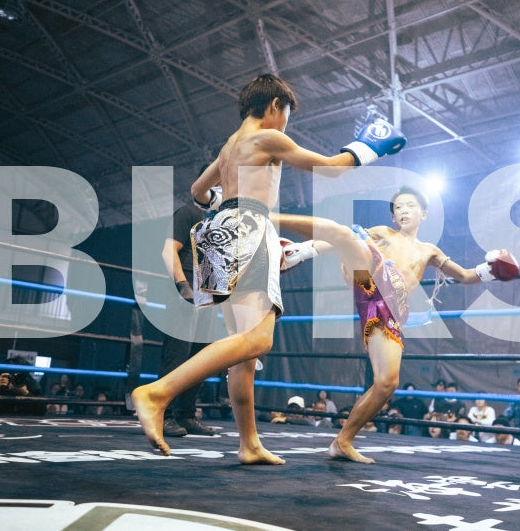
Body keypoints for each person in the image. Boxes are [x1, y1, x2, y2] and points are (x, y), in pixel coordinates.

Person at [131, 73, 405, 461]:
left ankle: (249, 444)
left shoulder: (229, 147)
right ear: (276, 105)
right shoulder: (266, 137)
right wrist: (369, 146)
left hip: (218, 233)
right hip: (248, 226)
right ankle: (157, 393)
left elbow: (197, 192)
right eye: (287, 115)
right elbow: (331, 167)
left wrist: (226, 201)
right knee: (258, 340)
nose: (286, 125)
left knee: (243, 356)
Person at [275, 185, 519, 462]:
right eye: (399, 207)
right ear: (393, 217)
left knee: (387, 383)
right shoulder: (384, 233)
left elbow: (464, 276)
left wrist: (492, 270)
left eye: (410, 206)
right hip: (371, 278)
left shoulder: (429, 251)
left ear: (423, 214)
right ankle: (295, 251)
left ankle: (342, 441)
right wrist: (312, 250)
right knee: (352, 236)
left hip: (390, 311)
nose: (403, 211)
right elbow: (347, 242)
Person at [157, 197, 220, 437]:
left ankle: (186, 414)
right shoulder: (189, 213)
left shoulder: (217, 226)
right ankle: (162, 415)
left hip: (207, 296)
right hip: (186, 290)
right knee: (177, 354)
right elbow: (168, 250)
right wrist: (183, 286)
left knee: (199, 359)